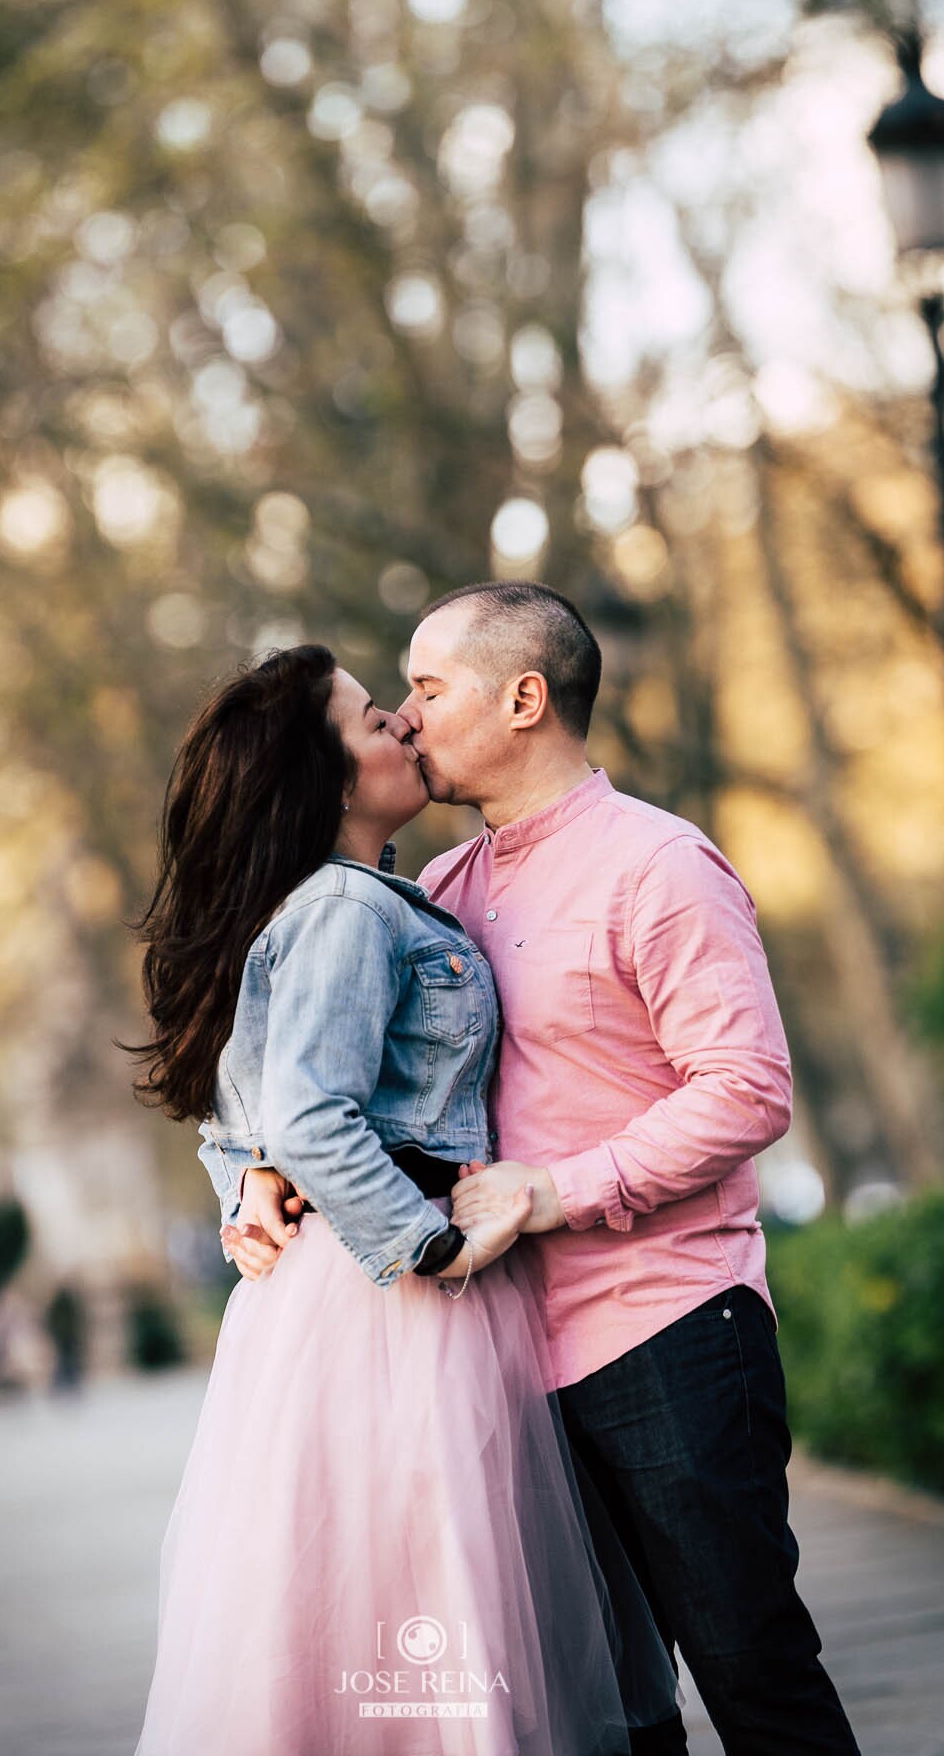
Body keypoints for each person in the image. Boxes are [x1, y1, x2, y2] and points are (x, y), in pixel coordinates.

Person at [236, 584, 862, 1756]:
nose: (408, 719)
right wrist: (261, 1169)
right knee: (603, 1710)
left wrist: (555, 1189)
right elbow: (324, 1072)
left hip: (664, 1329)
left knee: (750, 1666)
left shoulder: (660, 866)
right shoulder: (440, 893)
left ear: (525, 697)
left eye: (427, 688)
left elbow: (746, 1086)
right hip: (500, 1364)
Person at [124, 643, 679, 1756]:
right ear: (326, 779)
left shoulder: (363, 899)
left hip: (346, 1295)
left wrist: (248, 1180)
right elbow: (312, 1112)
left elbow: (245, 1101)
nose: (406, 729)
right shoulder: (344, 909)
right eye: (380, 719)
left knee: (376, 1590)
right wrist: (427, 1247)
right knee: (436, 1579)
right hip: (393, 1300)